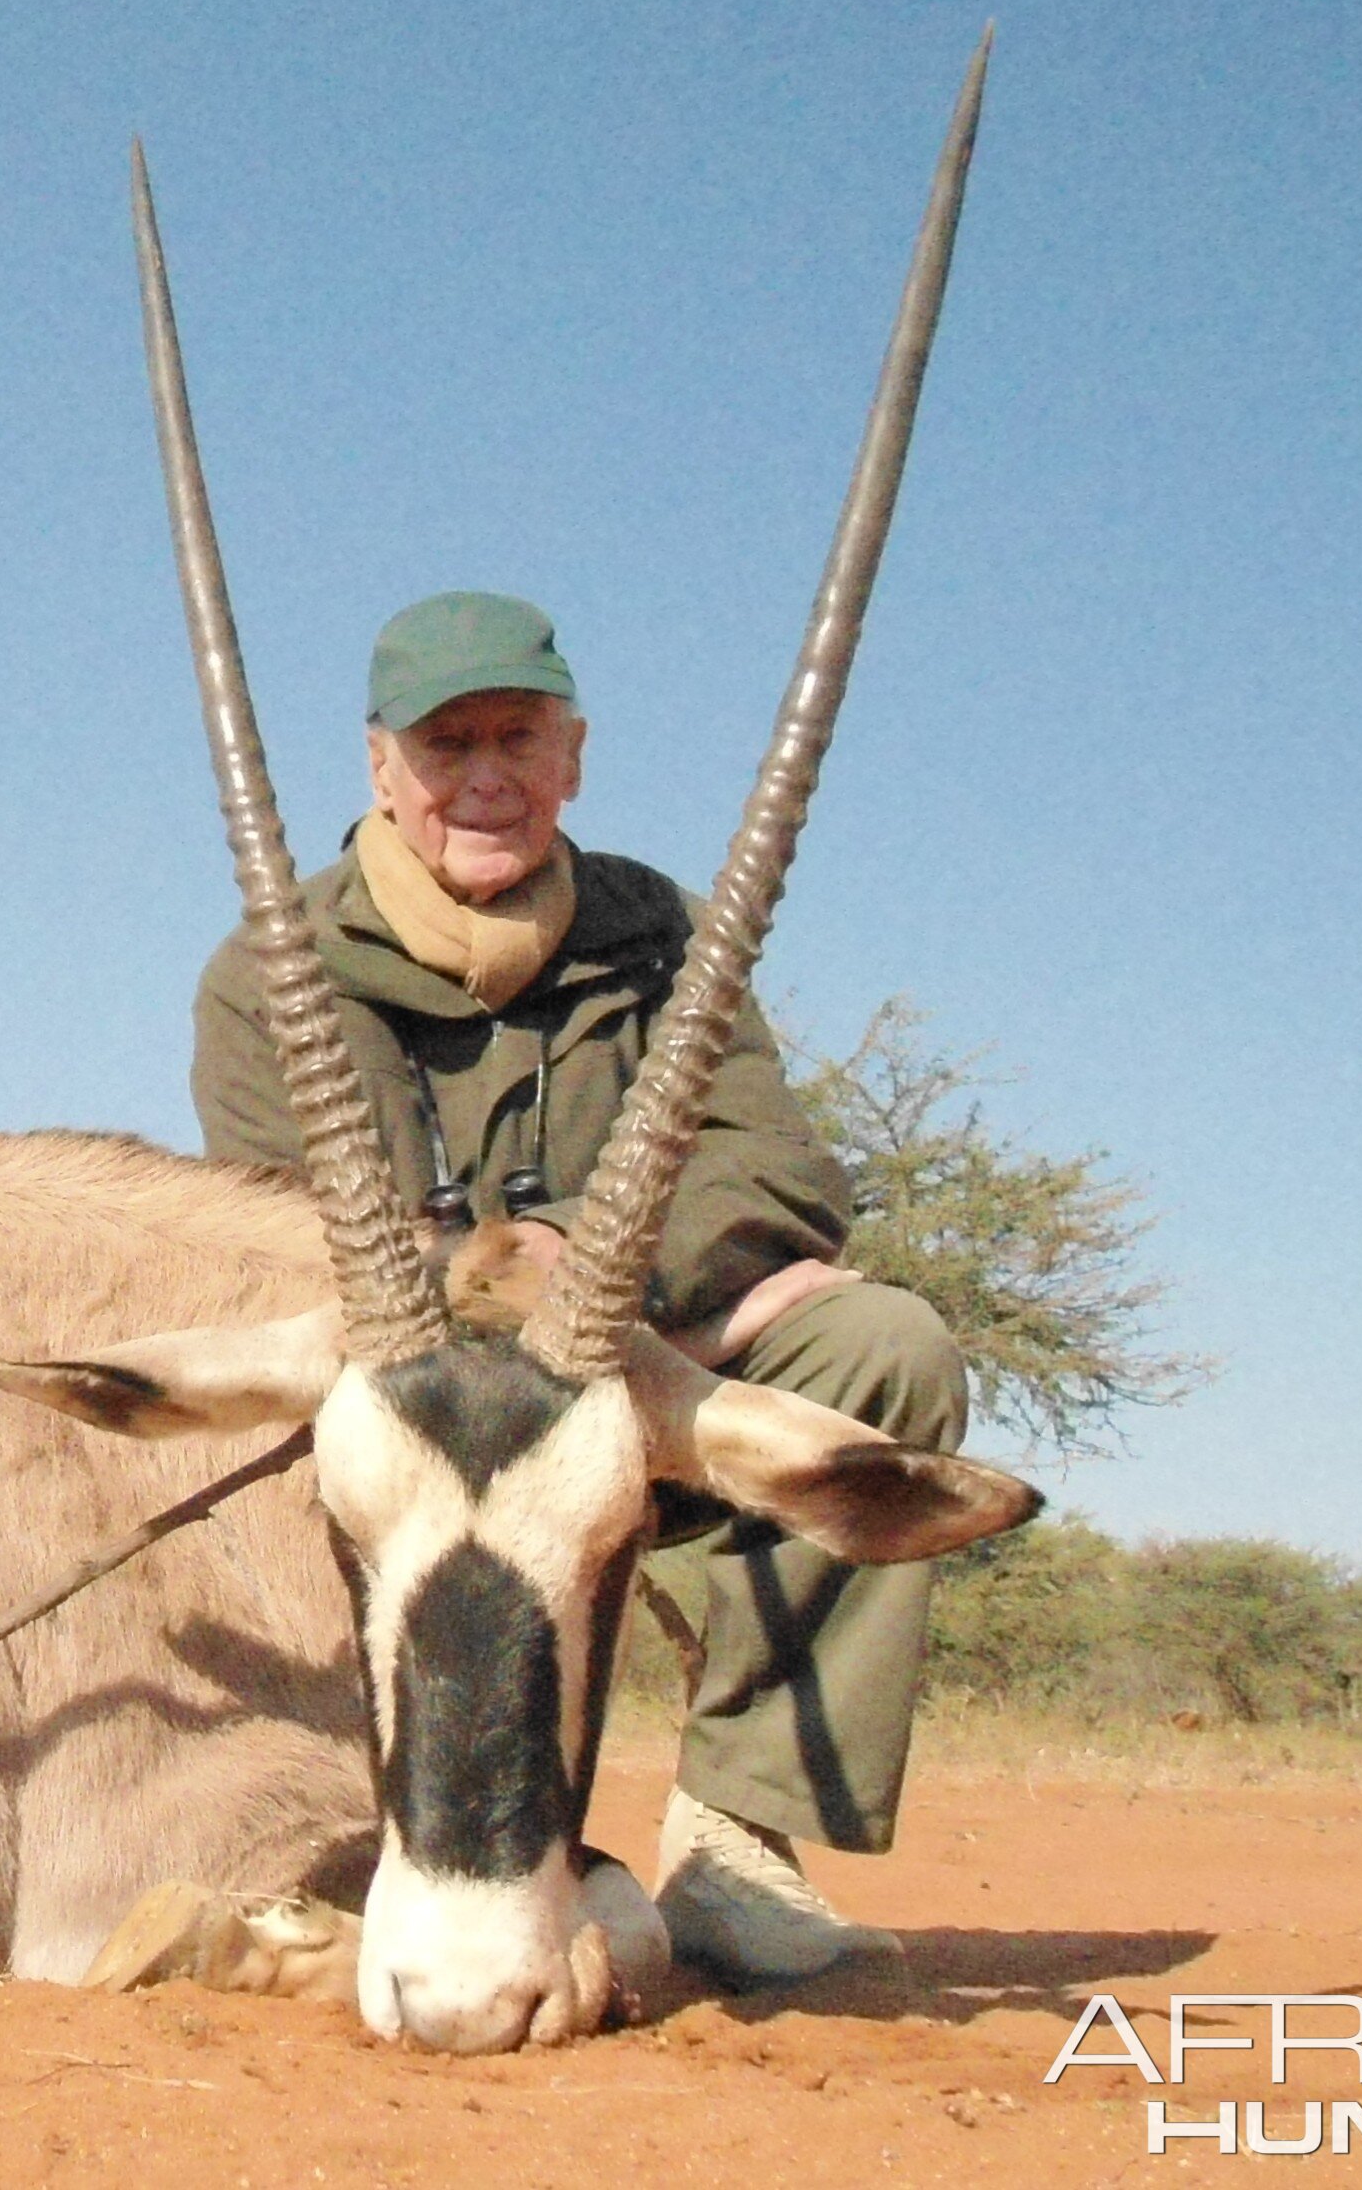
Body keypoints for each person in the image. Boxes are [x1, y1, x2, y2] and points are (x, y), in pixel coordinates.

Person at [191, 590, 975, 1991]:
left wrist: (612, 1292)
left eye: (518, 736)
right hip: (409, 1443)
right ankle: (329, 1825)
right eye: (447, 745)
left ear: (575, 755)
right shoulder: (271, 974)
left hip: (623, 1393)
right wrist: (486, 1286)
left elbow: (781, 1172)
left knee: (883, 1344)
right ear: (385, 770)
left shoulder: (662, 931)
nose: (485, 776)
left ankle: (742, 1841)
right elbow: (265, 1229)